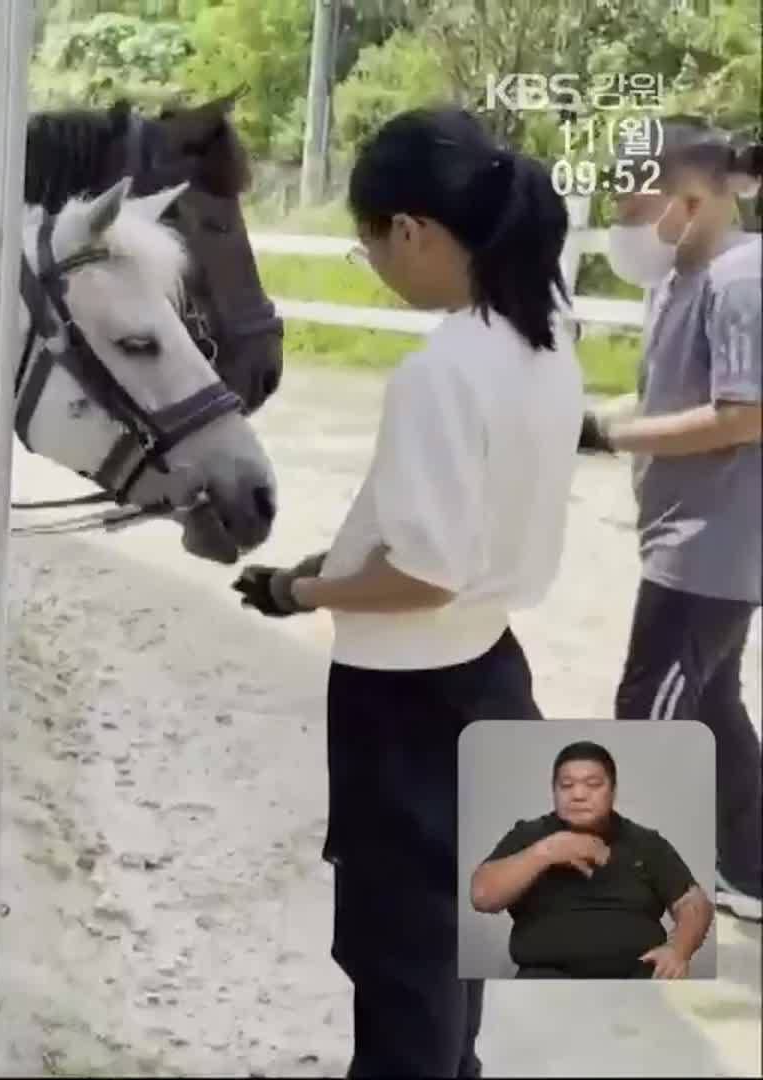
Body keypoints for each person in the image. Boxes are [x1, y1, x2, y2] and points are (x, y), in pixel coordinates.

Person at [230, 107, 584, 1078]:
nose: (374, 261)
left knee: (401, 963)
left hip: (411, 704)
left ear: (414, 232)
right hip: (493, 670)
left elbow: (421, 574)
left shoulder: (439, 374)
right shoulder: (548, 341)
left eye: (370, 243)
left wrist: (303, 591)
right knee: (463, 946)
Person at [582, 117, 763, 925]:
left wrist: (611, 434)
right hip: (685, 536)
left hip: (715, 546)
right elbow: (669, 399)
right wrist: (589, 418)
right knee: (712, 705)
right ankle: (752, 868)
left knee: (650, 706)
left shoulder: (742, 280)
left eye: (634, 204)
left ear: (690, 198)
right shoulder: (679, 280)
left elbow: (742, 415)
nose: (626, 221)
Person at [470, 741, 712, 979]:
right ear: (554, 791)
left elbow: (694, 903)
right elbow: (482, 896)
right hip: (547, 975)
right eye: (566, 785)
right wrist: (547, 851)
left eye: (593, 784)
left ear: (613, 791)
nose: (578, 794)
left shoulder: (646, 843)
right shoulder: (529, 836)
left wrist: (679, 949)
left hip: (637, 974)